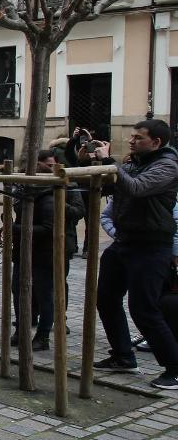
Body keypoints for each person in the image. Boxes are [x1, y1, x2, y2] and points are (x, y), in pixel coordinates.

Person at [93, 120, 178, 389]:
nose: (131, 141)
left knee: (144, 309)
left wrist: (110, 161)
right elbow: (110, 186)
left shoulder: (166, 165)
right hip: (124, 241)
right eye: (131, 136)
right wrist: (95, 164)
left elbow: (136, 187)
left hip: (151, 245)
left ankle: (174, 368)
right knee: (105, 298)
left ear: (156, 142)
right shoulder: (136, 161)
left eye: (138, 137)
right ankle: (123, 355)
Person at [9, 149, 84, 351]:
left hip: (52, 248)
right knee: (18, 289)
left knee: (47, 292)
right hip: (25, 246)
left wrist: (57, 202)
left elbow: (78, 212)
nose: (47, 168)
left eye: (51, 165)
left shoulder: (68, 184)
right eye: (44, 164)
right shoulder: (25, 185)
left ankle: (43, 334)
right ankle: (22, 329)